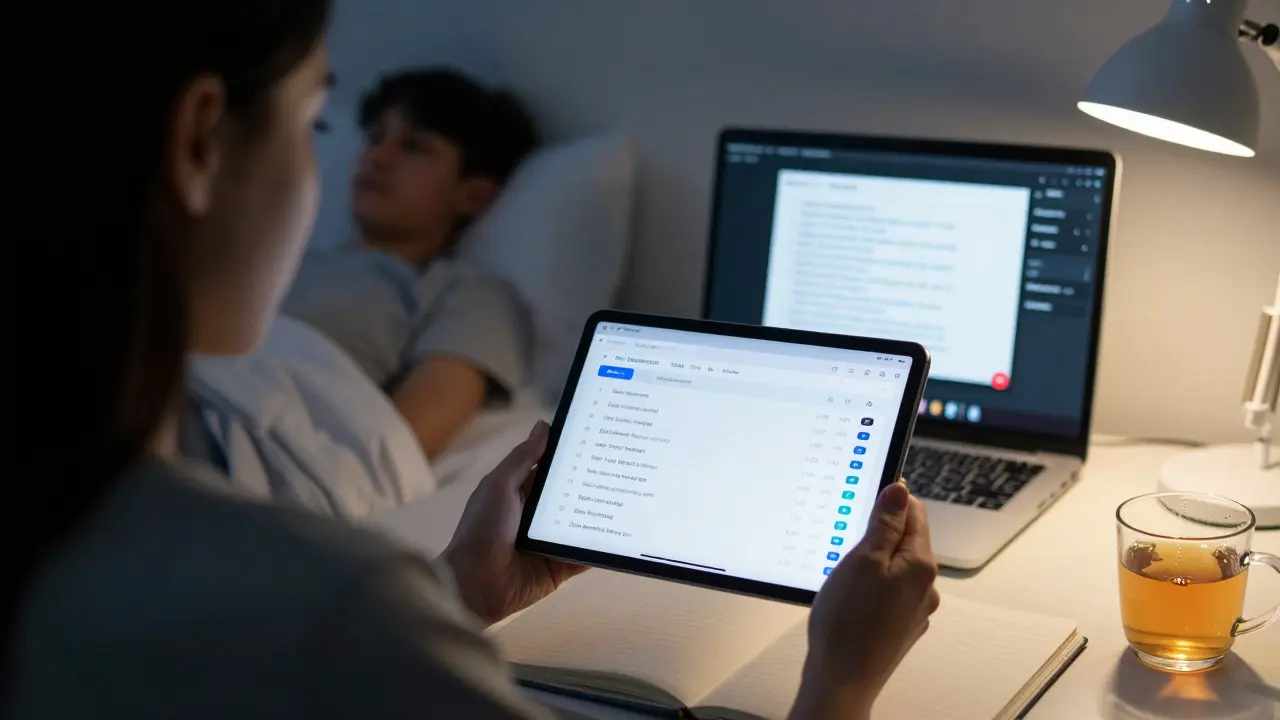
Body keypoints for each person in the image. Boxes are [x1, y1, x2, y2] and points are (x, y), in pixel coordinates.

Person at [7, 2, 941, 718]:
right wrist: (843, 681)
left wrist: (456, 588)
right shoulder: (335, 604)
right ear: (199, 140)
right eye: (319, 126)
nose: (352, 166)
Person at [282, 68, 539, 459]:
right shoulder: (284, 256)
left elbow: (394, 450)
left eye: (414, 146)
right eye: (374, 138)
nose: (376, 156)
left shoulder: (467, 294)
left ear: (473, 195)